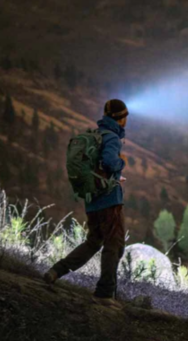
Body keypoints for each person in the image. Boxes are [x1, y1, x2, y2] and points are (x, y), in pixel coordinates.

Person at [43, 99, 129, 305]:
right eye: (125, 116)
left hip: (93, 199)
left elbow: (98, 167)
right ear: (121, 118)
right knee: (114, 244)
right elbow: (109, 161)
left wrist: (114, 175)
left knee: (93, 242)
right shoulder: (113, 138)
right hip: (109, 201)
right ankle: (105, 293)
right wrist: (122, 163)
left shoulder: (96, 135)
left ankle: (57, 271)